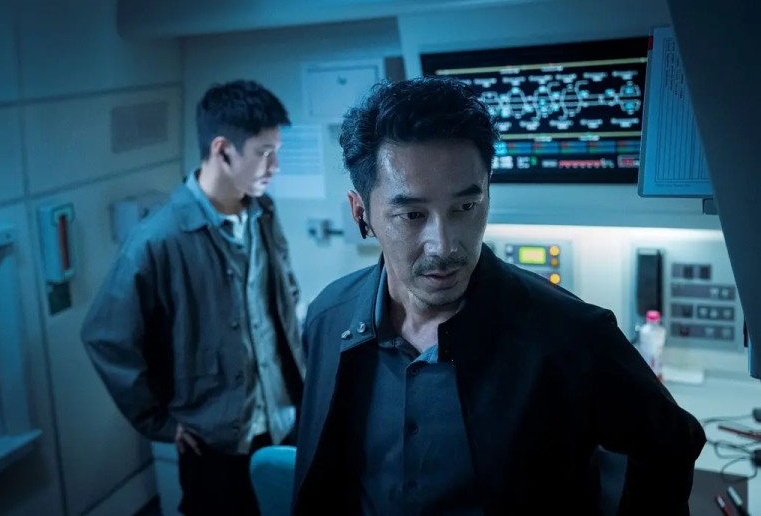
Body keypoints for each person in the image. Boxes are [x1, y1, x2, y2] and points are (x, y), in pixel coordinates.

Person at [292, 77, 705, 515]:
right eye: (412, 215)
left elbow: (672, 444)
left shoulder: (572, 336)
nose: (444, 245)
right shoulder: (329, 319)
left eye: (465, 207)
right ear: (362, 213)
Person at [82, 80, 305, 516]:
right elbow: (106, 337)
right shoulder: (158, 239)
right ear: (222, 150)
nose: (275, 166)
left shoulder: (263, 212)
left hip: (284, 421)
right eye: (264, 153)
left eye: (276, 152)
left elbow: (286, 294)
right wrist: (158, 422)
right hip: (214, 442)